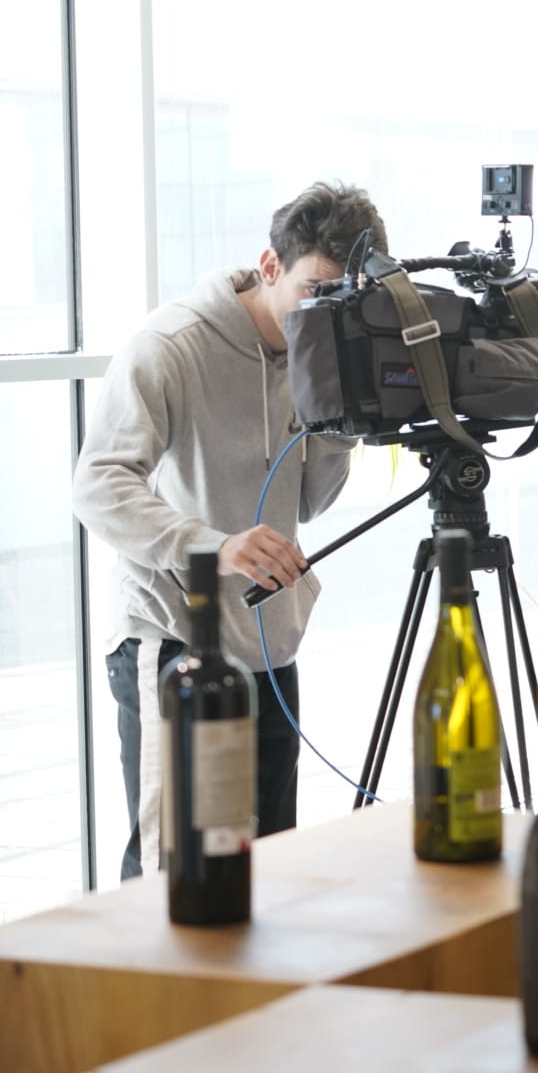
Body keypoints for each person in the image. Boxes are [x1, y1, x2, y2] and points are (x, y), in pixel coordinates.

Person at [72, 181, 387, 880]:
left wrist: (337, 417)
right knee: (172, 870)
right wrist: (214, 546)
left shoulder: (318, 353)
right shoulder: (172, 345)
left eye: (348, 296)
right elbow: (97, 485)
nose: (330, 309)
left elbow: (309, 502)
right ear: (271, 266)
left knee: (267, 866)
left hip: (268, 645)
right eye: (318, 288)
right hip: (172, 640)